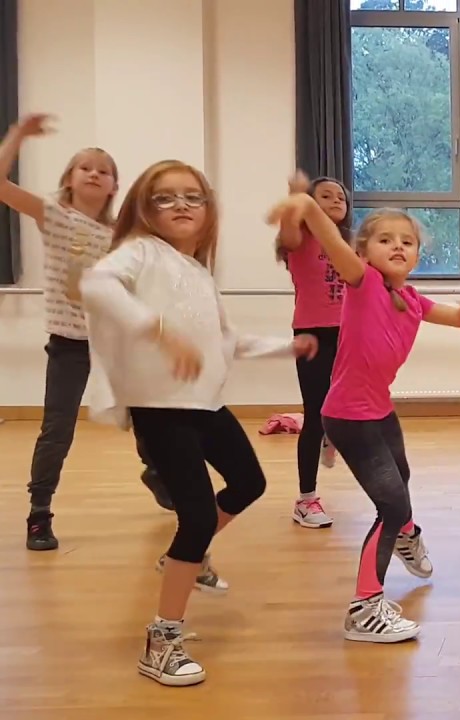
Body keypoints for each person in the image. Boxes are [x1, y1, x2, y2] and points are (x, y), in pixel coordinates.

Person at [80, 159, 318, 686]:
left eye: (193, 196)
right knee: (194, 516)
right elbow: (96, 284)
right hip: (161, 408)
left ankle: (189, 556)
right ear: (144, 209)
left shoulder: (196, 271)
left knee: (249, 482)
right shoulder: (140, 252)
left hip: (204, 403)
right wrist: (157, 329)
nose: (181, 205)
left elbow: (226, 341)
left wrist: (285, 347)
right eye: (165, 197)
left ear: (209, 210)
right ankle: (161, 639)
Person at [267, 181, 460, 643]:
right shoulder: (362, 281)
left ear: (417, 256)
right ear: (363, 251)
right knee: (390, 505)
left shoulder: (413, 299)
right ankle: (365, 608)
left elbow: (458, 319)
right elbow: (326, 236)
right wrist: (305, 204)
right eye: (385, 239)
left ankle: (407, 533)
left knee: (401, 479)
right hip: (348, 417)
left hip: (379, 410)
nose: (397, 247)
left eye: (407, 242)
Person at [0, 113, 171, 552]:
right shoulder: (55, 215)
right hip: (69, 343)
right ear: (70, 179)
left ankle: (158, 474)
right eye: (85, 167)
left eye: (104, 171)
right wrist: (18, 135)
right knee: (57, 430)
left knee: (149, 417)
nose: (94, 174)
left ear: (114, 186)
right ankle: (39, 513)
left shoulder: (122, 234)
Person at [275, 172, 352, 528]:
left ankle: (330, 434)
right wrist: (295, 199)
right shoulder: (301, 239)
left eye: (341, 196)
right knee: (314, 414)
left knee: (348, 404)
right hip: (313, 334)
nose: (336, 200)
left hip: (350, 332)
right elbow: (289, 232)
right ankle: (306, 501)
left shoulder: (349, 242)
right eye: (326, 195)